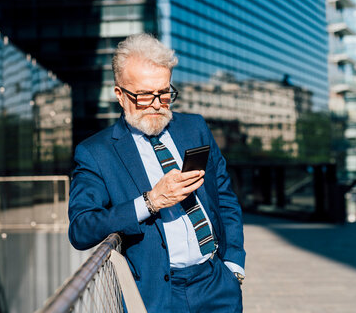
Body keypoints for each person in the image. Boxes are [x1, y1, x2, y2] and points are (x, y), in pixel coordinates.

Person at [68, 33, 245, 312]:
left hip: (216, 284)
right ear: (120, 95)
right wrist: (150, 201)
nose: (156, 104)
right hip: (157, 295)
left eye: (164, 93)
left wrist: (233, 265)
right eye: (144, 95)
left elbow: (223, 196)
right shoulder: (96, 153)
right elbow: (81, 228)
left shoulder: (194, 128)